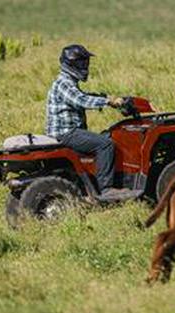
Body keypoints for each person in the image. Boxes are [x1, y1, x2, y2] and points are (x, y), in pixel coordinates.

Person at [45, 44, 141, 201]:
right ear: (73, 64)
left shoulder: (67, 82)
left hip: (68, 132)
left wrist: (108, 97)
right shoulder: (64, 83)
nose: (85, 67)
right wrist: (108, 102)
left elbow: (82, 95)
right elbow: (81, 100)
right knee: (105, 144)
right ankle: (107, 189)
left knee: (107, 136)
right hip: (67, 134)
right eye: (83, 63)